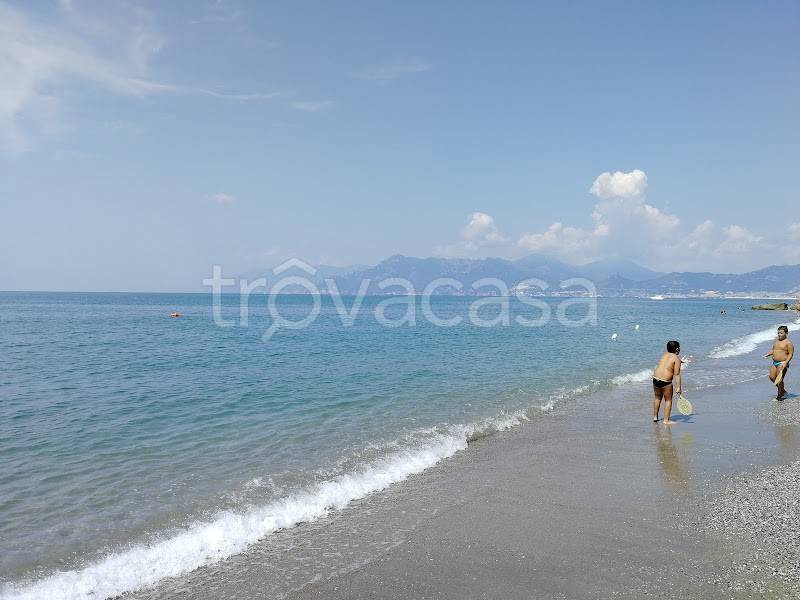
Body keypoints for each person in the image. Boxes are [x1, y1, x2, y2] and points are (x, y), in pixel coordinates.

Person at [652, 340, 683, 424]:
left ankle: (655, 417)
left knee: (657, 397)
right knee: (668, 400)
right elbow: (677, 374)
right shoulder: (676, 359)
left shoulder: (664, 355)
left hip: (655, 379)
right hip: (665, 382)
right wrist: (678, 387)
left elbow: (667, 363)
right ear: (677, 349)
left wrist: (680, 361)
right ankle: (666, 420)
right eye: (679, 348)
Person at [765, 325, 793, 400]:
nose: (779, 335)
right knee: (771, 377)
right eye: (778, 333)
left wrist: (786, 363)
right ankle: (782, 390)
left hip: (782, 362)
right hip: (775, 363)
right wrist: (768, 354)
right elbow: (774, 350)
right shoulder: (776, 341)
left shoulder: (788, 343)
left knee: (779, 379)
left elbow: (790, 354)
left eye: (781, 333)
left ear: (786, 333)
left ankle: (779, 397)